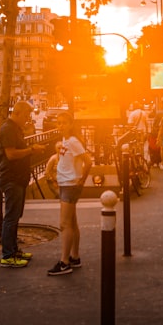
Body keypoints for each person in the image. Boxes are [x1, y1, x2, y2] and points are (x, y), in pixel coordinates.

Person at [0, 101, 45, 268]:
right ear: (18, 113)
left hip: (18, 178)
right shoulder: (8, 129)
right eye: (26, 115)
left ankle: (14, 250)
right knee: (11, 217)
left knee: (15, 216)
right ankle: (8, 255)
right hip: (11, 178)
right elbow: (10, 154)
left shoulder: (15, 128)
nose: (27, 119)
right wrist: (31, 150)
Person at [45, 111, 92, 276]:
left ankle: (64, 262)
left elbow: (88, 161)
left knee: (64, 224)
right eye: (58, 123)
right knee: (72, 223)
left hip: (70, 184)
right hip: (66, 183)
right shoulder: (66, 141)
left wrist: (81, 180)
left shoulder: (73, 141)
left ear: (71, 124)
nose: (61, 125)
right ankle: (74, 256)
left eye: (64, 122)